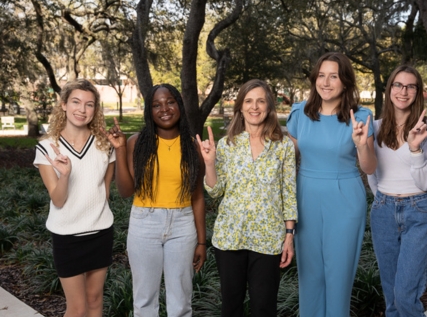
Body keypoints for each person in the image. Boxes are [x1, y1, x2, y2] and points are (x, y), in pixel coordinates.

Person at [286, 52, 377, 316]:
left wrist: (361, 146)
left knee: (338, 275)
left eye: (334, 76)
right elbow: (288, 161)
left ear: (345, 82)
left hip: (345, 197)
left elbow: (369, 167)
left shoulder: (361, 117)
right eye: (321, 75)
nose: (326, 82)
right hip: (306, 196)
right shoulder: (299, 114)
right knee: (310, 275)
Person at [104, 84, 206, 317]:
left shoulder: (192, 146)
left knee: (181, 302)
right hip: (144, 222)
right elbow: (125, 191)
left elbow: (198, 195)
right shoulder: (136, 143)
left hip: (182, 224)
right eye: (156, 105)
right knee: (144, 301)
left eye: (170, 102)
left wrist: (202, 242)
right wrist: (119, 151)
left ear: (179, 105)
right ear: (149, 111)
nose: (165, 109)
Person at [197, 79, 297, 317]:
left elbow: (289, 193)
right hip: (231, 238)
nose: (255, 107)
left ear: (269, 106)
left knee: (264, 308)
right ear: (240, 107)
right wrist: (209, 163)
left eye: (261, 101)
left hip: (268, 239)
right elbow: (214, 190)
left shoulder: (283, 146)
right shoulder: (227, 145)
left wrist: (289, 236)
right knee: (231, 308)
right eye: (249, 101)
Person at [33, 79, 115, 317]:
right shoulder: (47, 148)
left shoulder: (104, 145)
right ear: (64, 105)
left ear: (95, 110)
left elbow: (104, 193)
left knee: (95, 301)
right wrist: (66, 175)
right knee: (77, 309)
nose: (82, 109)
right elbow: (58, 200)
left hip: (100, 233)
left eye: (89, 105)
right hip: (67, 237)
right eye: (76, 102)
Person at [367, 65, 427, 317]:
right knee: (391, 297)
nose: (403, 91)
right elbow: (372, 174)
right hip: (383, 211)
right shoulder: (375, 128)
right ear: (389, 90)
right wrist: (384, 197)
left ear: (419, 92)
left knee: (405, 296)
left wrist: (415, 149)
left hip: (418, 209)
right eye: (398, 84)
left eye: (411, 86)